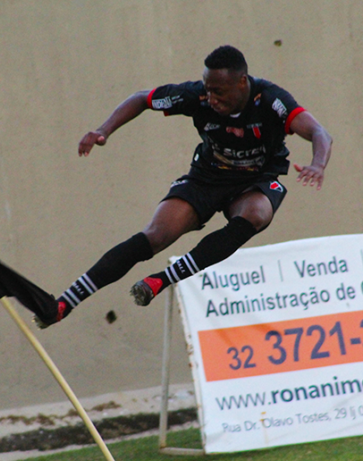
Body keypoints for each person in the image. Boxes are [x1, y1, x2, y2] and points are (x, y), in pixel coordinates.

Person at [35, 45, 332, 328]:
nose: (211, 98)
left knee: (256, 214)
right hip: (207, 177)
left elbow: (319, 132)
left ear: (242, 82)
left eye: (219, 92)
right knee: (156, 234)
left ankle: (162, 280)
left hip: (255, 180)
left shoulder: (270, 99)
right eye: (208, 89)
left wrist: (318, 164)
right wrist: (103, 130)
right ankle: (64, 304)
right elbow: (141, 99)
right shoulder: (195, 96)